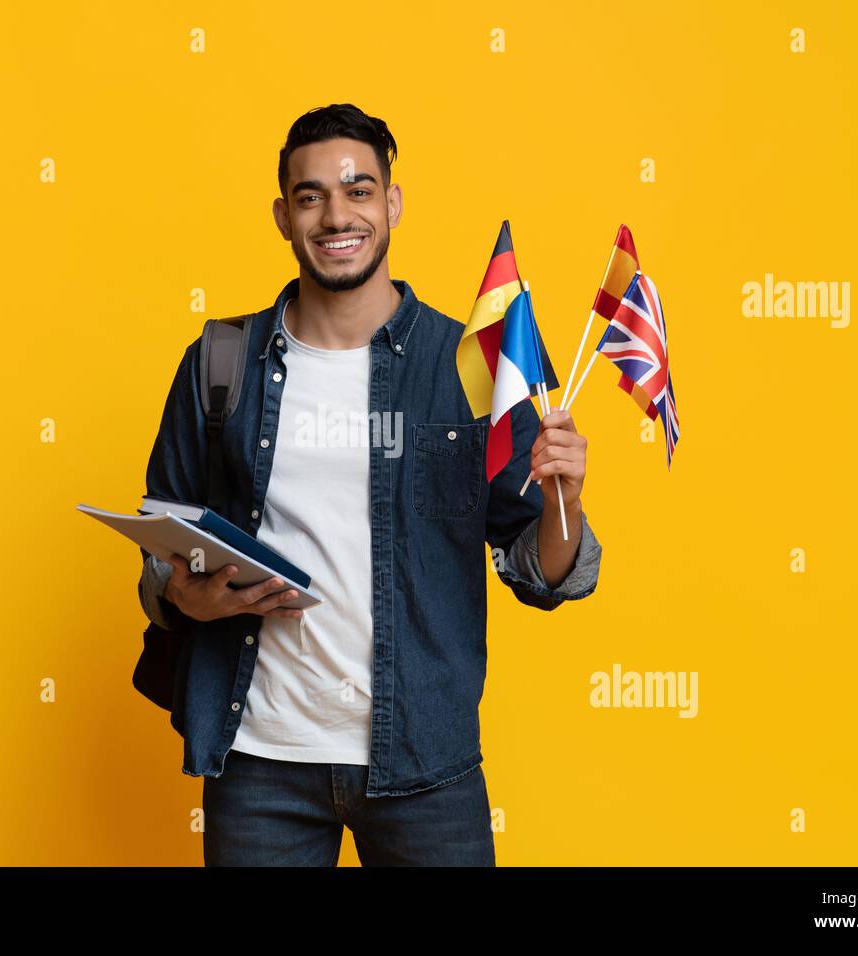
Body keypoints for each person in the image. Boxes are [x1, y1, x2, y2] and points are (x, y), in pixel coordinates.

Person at [138, 103, 602, 866]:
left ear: (391, 203)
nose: (335, 214)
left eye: (358, 190)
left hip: (427, 760)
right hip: (260, 757)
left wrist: (566, 501)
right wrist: (184, 594)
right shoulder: (220, 361)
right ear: (284, 217)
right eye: (311, 195)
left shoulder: (475, 365)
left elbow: (543, 574)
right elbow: (163, 544)